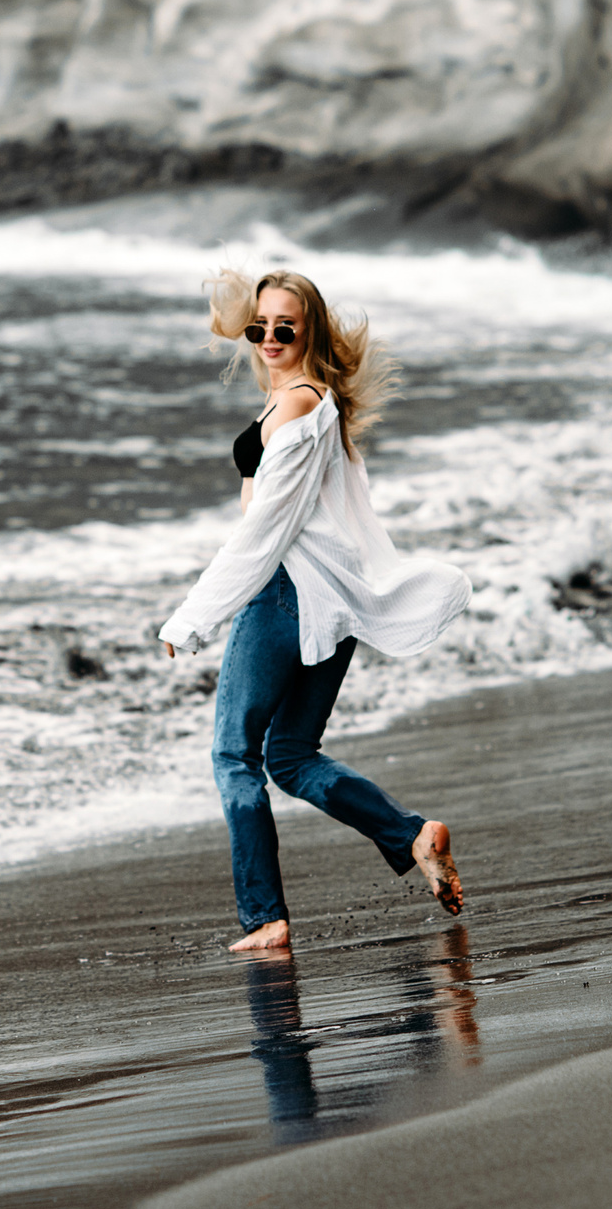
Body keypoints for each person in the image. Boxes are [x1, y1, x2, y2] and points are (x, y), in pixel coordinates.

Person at [159, 269, 472, 953]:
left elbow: (263, 533)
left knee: (233, 754)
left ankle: (264, 916)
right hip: (328, 600)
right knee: (293, 755)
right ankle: (411, 833)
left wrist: (192, 615)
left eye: (285, 328)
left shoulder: (300, 411)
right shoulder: (308, 403)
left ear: (310, 332)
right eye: (260, 327)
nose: (270, 338)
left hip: (285, 595)